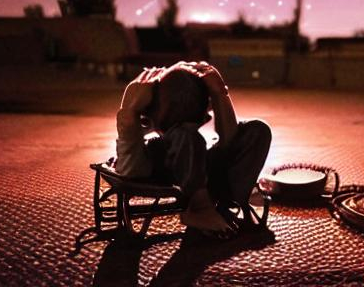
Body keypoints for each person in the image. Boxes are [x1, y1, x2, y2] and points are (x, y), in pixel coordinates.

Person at [115, 61, 272, 238]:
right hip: (169, 171)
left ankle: (230, 200)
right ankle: (200, 207)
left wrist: (220, 93)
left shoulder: (193, 143)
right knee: (186, 138)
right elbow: (131, 168)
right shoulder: (148, 152)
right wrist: (131, 107)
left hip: (201, 172)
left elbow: (229, 140)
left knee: (258, 130)